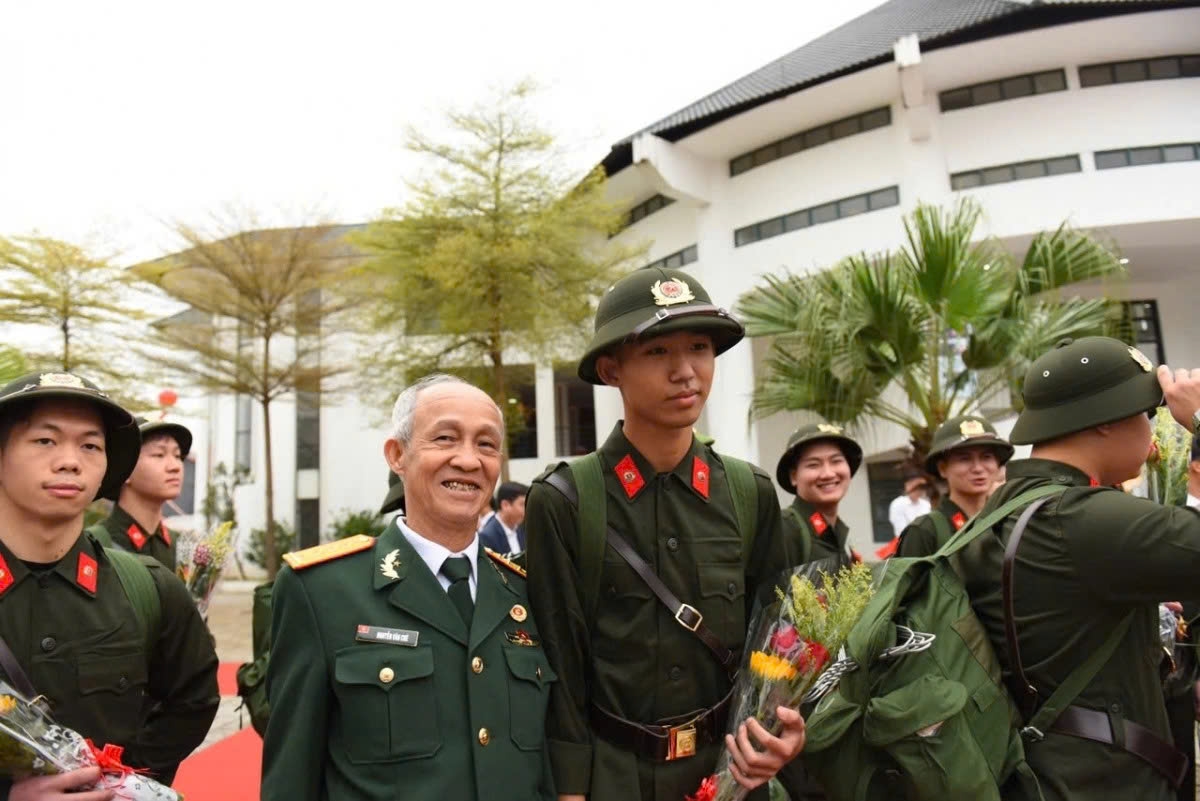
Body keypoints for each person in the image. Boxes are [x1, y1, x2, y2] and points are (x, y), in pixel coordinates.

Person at [525, 268, 805, 801]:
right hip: (613, 776)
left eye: (699, 347)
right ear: (612, 370)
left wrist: (778, 724)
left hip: (730, 770)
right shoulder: (565, 501)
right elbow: (561, 662)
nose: (685, 371)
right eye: (658, 352)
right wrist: (569, 788)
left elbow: (776, 637)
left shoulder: (750, 493)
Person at [262, 374, 554, 801]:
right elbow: (291, 774)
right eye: (446, 438)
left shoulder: (526, 592)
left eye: (486, 444)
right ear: (397, 455)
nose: (469, 461)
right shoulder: (322, 591)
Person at [955, 337, 1200, 801]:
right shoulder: (1080, 519)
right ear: (1106, 421)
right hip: (1108, 781)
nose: (1152, 435)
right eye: (1147, 415)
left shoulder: (1008, 507)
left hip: (1051, 771)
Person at [0, 371, 219, 799]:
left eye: (90, 445)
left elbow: (192, 700)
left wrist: (122, 782)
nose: (70, 460)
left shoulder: (151, 588)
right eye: (45, 441)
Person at [896, 414, 1013, 557]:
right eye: (964, 458)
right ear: (943, 469)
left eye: (986, 457)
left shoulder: (1009, 523)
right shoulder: (925, 531)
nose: (978, 468)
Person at [90, 416, 193, 569]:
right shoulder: (95, 545)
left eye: (177, 456)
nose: (175, 466)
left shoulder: (181, 547)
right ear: (125, 469)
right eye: (159, 454)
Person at [774, 421, 863, 568]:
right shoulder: (784, 530)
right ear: (794, 476)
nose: (828, 474)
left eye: (836, 461)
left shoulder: (840, 535)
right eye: (813, 464)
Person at [479, 481, 528, 555]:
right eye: (522, 504)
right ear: (505, 505)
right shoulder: (488, 536)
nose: (526, 509)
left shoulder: (523, 528)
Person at [887, 470, 930, 538]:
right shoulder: (898, 504)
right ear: (907, 485)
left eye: (922, 487)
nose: (920, 490)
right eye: (917, 487)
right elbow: (902, 531)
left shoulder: (926, 504)